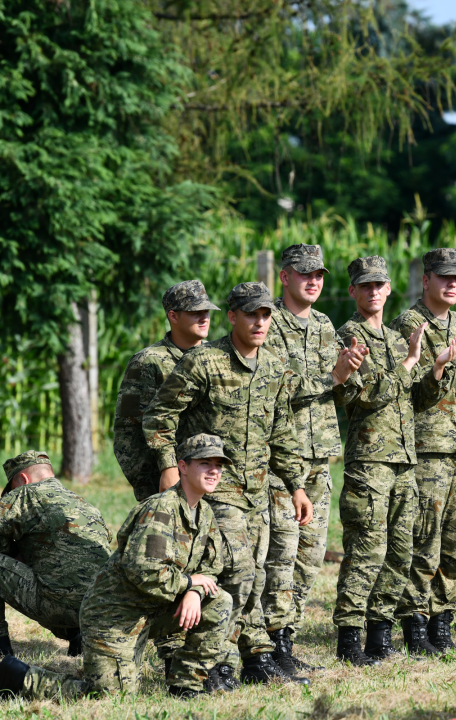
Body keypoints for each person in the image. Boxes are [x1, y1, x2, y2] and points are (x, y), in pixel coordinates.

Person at [144, 282, 311, 686]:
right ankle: (212, 663)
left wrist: (296, 485)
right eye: (251, 313)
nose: (260, 321)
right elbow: (159, 416)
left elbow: (282, 431)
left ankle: (253, 660)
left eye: (266, 314)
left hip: (258, 489)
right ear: (233, 315)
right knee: (236, 570)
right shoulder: (205, 362)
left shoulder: (274, 366)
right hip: (218, 487)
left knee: (254, 577)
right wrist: (170, 466)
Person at [0, 435, 235, 701]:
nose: (214, 470)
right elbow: (145, 572)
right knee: (110, 698)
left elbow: (212, 568)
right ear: (182, 467)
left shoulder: (204, 514)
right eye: (205, 463)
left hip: (153, 610)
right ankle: (20, 678)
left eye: (219, 464)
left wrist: (195, 593)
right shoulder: (161, 511)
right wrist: (189, 584)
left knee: (219, 600)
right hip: (114, 616)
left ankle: (185, 685)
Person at [334, 256, 456, 662]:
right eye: (365, 286)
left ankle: (379, 636)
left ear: (388, 289)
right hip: (370, 460)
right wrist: (410, 362)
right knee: (367, 550)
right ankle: (350, 640)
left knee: (401, 552)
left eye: (379, 285)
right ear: (353, 291)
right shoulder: (349, 336)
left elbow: (417, 400)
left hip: (405, 459)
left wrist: (436, 369)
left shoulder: (393, 336)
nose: (373, 292)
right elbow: (366, 394)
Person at [261, 243, 366, 675]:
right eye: (304, 273)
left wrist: (351, 373)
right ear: (284, 276)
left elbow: (340, 390)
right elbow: (276, 387)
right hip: (280, 457)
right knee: (280, 555)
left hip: (320, 456)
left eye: (319, 274)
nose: (313, 281)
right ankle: (267, 644)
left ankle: (288, 641)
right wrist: (333, 376)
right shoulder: (266, 322)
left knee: (310, 556)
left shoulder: (325, 325)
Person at [389, 248, 456, 652]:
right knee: (425, 539)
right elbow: (413, 392)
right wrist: (444, 362)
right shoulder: (408, 325)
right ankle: (416, 623)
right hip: (430, 446)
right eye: (445, 278)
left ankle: (441, 620)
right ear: (426, 280)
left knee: (455, 543)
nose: (453, 285)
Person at [0, 451, 110, 660]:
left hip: (57, 606)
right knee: (60, 570)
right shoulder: (83, 503)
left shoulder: (25, 493)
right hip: (97, 609)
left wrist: (14, 552)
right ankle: (80, 636)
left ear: (24, 479)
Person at [114, 280, 220, 501]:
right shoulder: (147, 362)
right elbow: (127, 432)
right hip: (167, 483)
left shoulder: (218, 358)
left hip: (216, 481)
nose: (204, 318)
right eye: (195, 312)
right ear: (173, 316)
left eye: (207, 311)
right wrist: (150, 485)